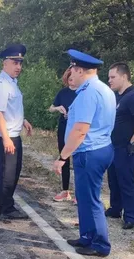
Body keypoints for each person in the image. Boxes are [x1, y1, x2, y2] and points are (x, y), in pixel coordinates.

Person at [53, 49, 116, 257]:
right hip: (100, 148)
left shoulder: (89, 93)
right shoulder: (104, 89)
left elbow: (80, 130)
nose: (70, 75)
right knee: (83, 195)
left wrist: (63, 157)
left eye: (72, 70)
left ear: (79, 70)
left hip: (90, 151)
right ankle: (86, 236)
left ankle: (100, 245)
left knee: (91, 198)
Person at [0, 43, 33, 219]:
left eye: (20, 63)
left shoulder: (11, 83)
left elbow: (10, 108)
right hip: (6, 136)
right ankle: (7, 208)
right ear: (4, 63)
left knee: (10, 171)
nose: (18, 67)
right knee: (9, 174)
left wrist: (23, 121)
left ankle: (0, 205)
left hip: (11, 134)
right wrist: (6, 139)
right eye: (15, 62)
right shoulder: (1, 84)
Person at [105, 62, 134, 230]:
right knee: (113, 179)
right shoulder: (117, 96)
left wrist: (133, 142)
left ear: (124, 76)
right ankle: (115, 209)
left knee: (126, 181)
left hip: (126, 147)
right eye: (109, 77)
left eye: (112, 77)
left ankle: (130, 216)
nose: (109, 80)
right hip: (113, 146)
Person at [48, 67, 77, 203]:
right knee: (63, 157)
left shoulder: (83, 93)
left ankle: (79, 193)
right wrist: (57, 108)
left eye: (73, 78)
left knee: (78, 160)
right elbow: (51, 107)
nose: (71, 81)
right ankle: (65, 190)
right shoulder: (63, 93)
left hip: (77, 129)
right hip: (63, 128)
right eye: (69, 79)